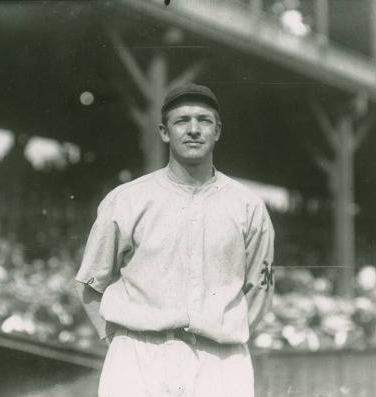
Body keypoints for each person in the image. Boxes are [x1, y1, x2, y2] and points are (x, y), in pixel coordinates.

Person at [75, 83, 275, 397]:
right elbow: (89, 283)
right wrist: (118, 341)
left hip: (220, 361)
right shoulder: (127, 199)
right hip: (139, 355)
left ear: (218, 131)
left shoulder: (249, 207)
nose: (193, 129)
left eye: (204, 120)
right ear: (165, 132)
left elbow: (259, 291)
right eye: (182, 120)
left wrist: (222, 330)